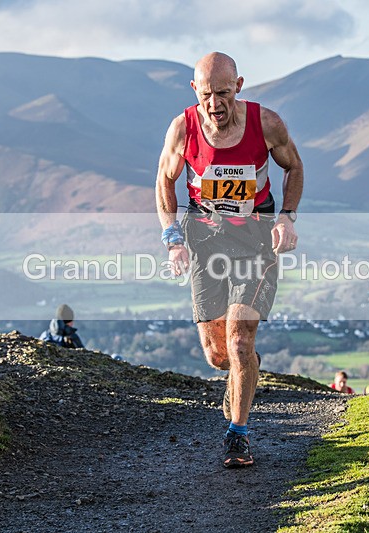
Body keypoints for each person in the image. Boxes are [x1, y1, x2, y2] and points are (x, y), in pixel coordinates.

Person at [155, 52, 303, 468]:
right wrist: (172, 238)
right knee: (218, 354)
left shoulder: (266, 124)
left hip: (258, 242)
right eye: (207, 96)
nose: (215, 105)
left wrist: (287, 218)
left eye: (223, 93)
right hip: (205, 243)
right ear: (194, 92)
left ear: (238, 86)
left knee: (239, 338)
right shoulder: (183, 129)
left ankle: (237, 434)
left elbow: (295, 167)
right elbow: (164, 182)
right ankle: (245, 369)